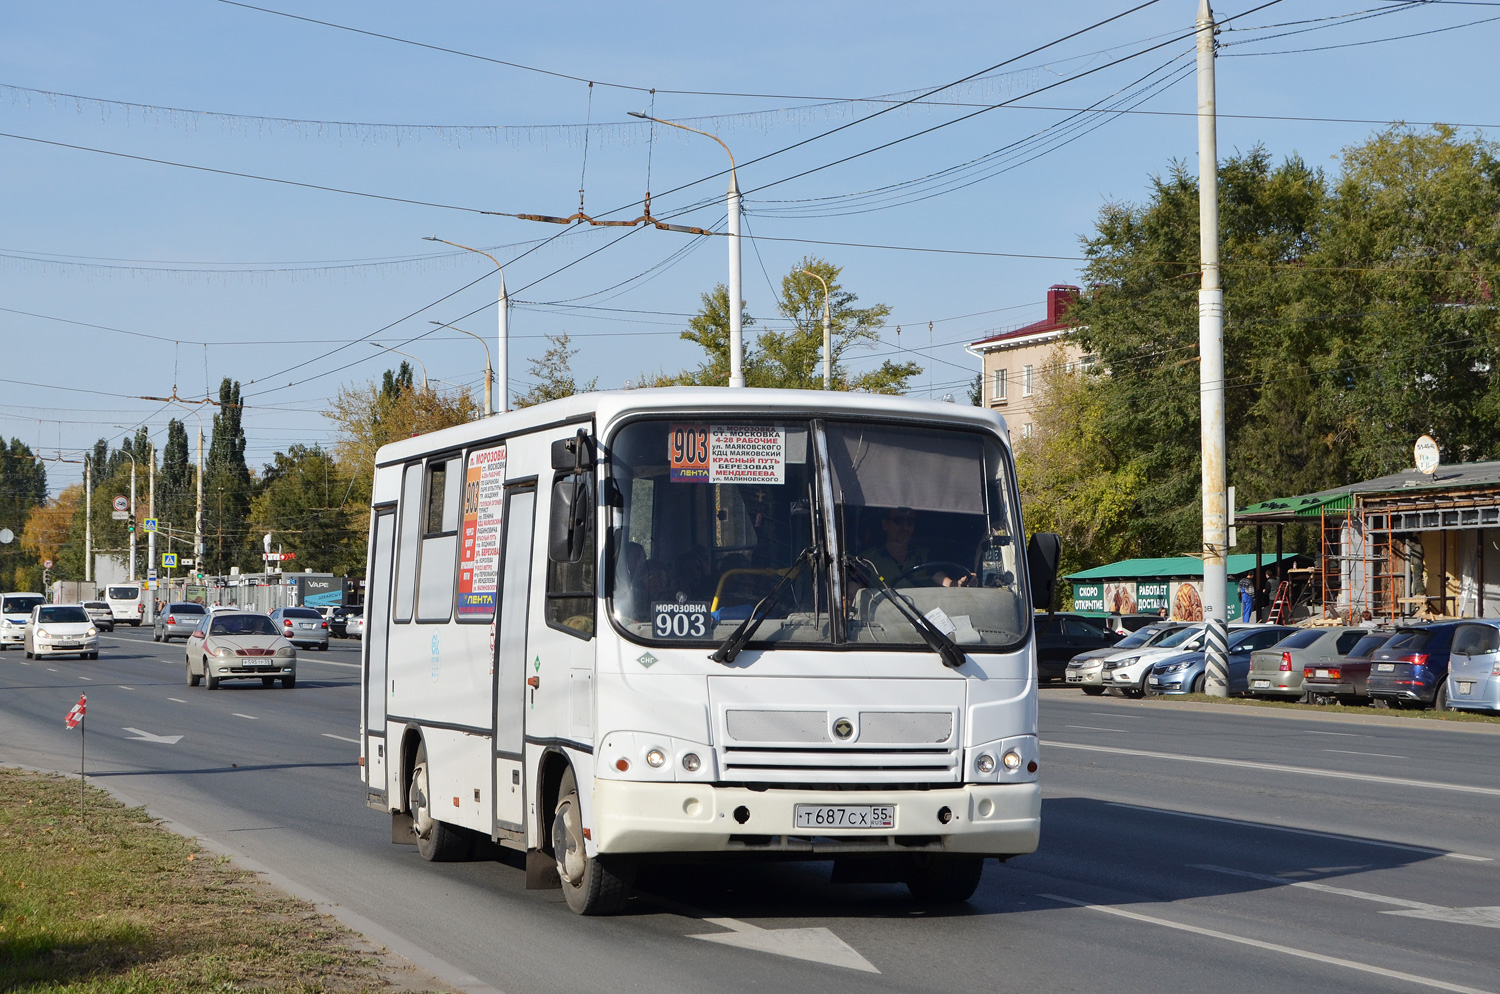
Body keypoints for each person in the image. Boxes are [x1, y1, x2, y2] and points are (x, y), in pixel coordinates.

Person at [859, 507, 970, 587]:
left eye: (910, 522)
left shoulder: (924, 554)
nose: (905, 526)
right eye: (899, 520)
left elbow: (944, 581)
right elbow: (853, 590)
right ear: (885, 525)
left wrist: (959, 584)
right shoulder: (867, 560)